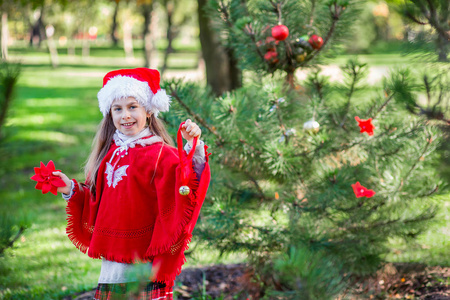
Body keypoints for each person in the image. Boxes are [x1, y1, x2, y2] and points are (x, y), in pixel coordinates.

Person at [52, 68, 211, 300]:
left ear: (148, 111)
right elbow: (96, 200)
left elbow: (186, 182)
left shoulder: (160, 154)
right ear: (110, 114)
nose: (125, 115)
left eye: (132, 107)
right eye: (118, 109)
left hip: (142, 256)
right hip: (112, 258)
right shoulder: (109, 153)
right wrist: (70, 189)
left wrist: (192, 146)